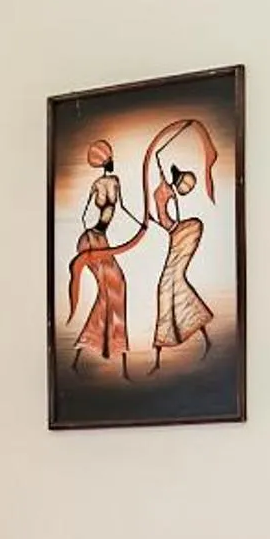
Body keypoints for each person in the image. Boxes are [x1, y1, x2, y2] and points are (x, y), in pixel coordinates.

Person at [144, 118, 219, 373]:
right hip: (175, 232)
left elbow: (170, 218)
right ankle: (198, 338)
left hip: (183, 231)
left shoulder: (169, 190)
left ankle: (159, 353)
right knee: (174, 285)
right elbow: (164, 219)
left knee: (168, 284)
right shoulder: (163, 189)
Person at [65, 137, 145, 378]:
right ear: (104, 163)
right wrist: (88, 245)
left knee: (116, 287)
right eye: (109, 160)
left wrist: (140, 224)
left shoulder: (115, 182)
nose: (112, 163)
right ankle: (105, 351)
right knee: (109, 289)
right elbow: (84, 216)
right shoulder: (97, 184)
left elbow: (123, 207)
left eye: (112, 159)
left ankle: (103, 347)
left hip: (101, 239)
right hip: (91, 240)